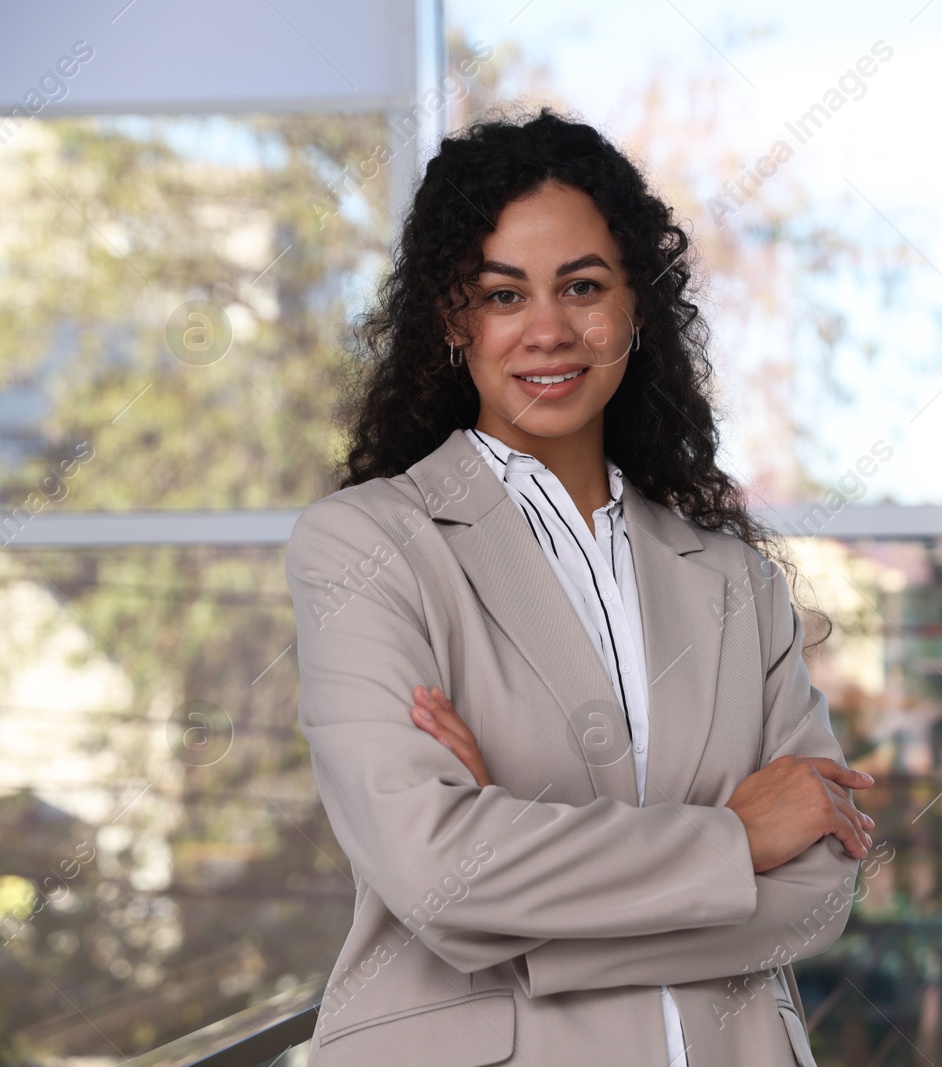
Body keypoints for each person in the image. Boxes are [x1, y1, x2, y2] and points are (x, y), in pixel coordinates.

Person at [285, 106, 874, 1067]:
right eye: (504, 295)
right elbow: (439, 873)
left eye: (583, 286)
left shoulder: (737, 581)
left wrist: (519, 892)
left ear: (636, 305)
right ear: (450, 316)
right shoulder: (366, 545)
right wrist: (734, 840)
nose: (550, 330)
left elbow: (817, 889)